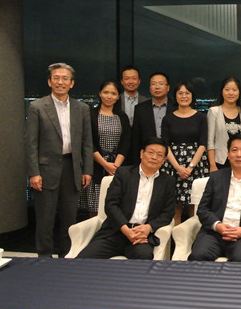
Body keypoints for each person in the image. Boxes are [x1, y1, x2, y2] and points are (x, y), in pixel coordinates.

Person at [26, 62, 93, 257]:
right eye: (56, 78)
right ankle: (44, 259)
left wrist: (87, 170)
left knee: (69, 219)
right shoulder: (37, 107)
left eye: (65, 78)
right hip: (45, 170)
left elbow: (87, 142)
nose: (60, 82)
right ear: (49, 82)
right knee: (45, 220)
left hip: (72, 168)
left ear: (72, 83)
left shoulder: (82, 108)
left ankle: (67, 257)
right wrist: (34, 173)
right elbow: (31, 143)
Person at [77, 138, 175, 259]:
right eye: (150, 152)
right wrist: (126, 230)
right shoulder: (123, 174)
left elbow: (168, 213)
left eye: (159, 155)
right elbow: (111, 204)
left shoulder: (168, 182)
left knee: (144, 257)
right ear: (141, 153)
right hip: (116, 231)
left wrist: (149, 228)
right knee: (84, 259)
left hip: (141, 235)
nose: (154, 157)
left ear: (164, 160)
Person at [189, 134, 241, 262]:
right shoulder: (216, 177)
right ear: (228, 154)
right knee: (198, 255)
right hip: (214, 234)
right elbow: (203, 209)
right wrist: (218, 226)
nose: (239, 154)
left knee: (240, 258)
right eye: (234, 150)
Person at [79, 79, 131, 217]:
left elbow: (126, 143)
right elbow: (88, 142)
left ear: (118, 96)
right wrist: (104, 164)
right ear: (100, 93)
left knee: (115, 208)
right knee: (95, 209)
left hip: (116, 168)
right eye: (106, 92)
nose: (109, 96)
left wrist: (114, 167)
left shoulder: (122, 117)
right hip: (96, 166)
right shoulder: (90, 115)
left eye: (113, 93)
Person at [161, 81, 209, 225]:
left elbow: (203, 144)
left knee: (194, 204)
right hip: (173, 165)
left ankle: (193, 237)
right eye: (180, 93)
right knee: (175, 206)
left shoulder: (201, 117)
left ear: (192, 96)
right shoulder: (168, 118)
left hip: (196, 165)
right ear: (175, 96)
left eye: (187, 93)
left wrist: (190, 167)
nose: (184, 96)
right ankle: (175, 236)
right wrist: (178, 168)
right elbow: (165, 145)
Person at [130, 72, 175, 165]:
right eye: (153, 84)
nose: (157, 87)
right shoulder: (140, 109)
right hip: (148, 159)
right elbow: (136, 139)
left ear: (168, 88)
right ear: (150, 88)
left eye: (161, 84)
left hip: (173, 158)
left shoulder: (176, 107)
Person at [207, 77, 241, 172]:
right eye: (227, 89)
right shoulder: (214, 111)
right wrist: (212, 164)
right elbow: (210, 141)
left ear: (239, 92)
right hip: (220, 161)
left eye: (234, 90)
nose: (231, 93)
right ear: (222, 91)